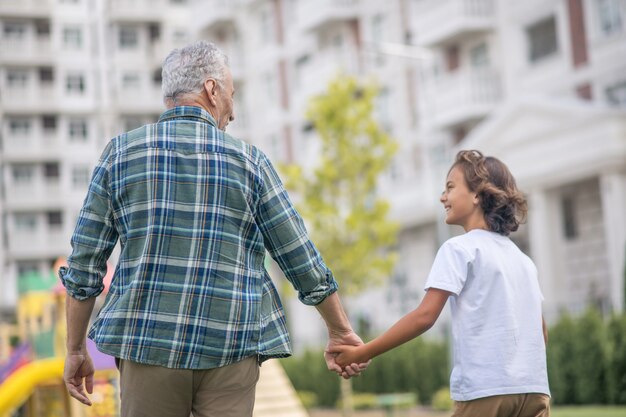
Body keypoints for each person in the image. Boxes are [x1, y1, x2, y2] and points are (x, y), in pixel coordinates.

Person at [59, 40, 367, 417]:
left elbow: (84, 265)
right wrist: (339, 329)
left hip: (147, 345)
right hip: (230, 346)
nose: (233, 112)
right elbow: (299, 256)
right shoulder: (251, 163)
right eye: (232, 95)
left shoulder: (120, 155)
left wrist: (75, 350)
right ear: (212, 89)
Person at [332, 150, 551, 417]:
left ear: (477, 195)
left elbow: (424, 316)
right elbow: (540, 331)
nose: (442, 197)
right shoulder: (523, 259)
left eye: (450, 187)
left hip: (486, 391)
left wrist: (363, 352)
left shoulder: (459, 248)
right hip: (535, 389)